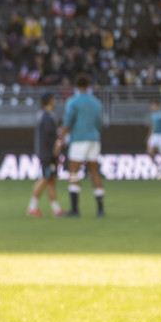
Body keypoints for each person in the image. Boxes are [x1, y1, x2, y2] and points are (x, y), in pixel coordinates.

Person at [62, 74, 105, 218]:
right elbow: (100, 123)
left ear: (76, 86)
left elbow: (68, 122)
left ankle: (75, 209)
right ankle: (100, 209)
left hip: (79, 139)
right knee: (95, 173)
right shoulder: (96, 102)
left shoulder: (73, 102)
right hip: (94, 139)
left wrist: (60, 139)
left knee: (74, 173)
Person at [28, 92, 64, 217]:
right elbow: (50, 136)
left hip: (45, 153)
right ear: (49, 101)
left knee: (51, 180)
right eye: (54, 99)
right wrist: (56, 149)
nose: (55, 101)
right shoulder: (47, 117)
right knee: (45, 178)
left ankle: (56, 209)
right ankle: (32, 207)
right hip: (47, 154)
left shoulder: (43, 115)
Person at [145, 99, 161, 176]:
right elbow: (153, 126)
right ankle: (156, 165)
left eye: (152, 105)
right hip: (155, 135)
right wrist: (149, 136)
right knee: (149, 151)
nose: (151, 107)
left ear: (156, 105)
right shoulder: (152, 115)